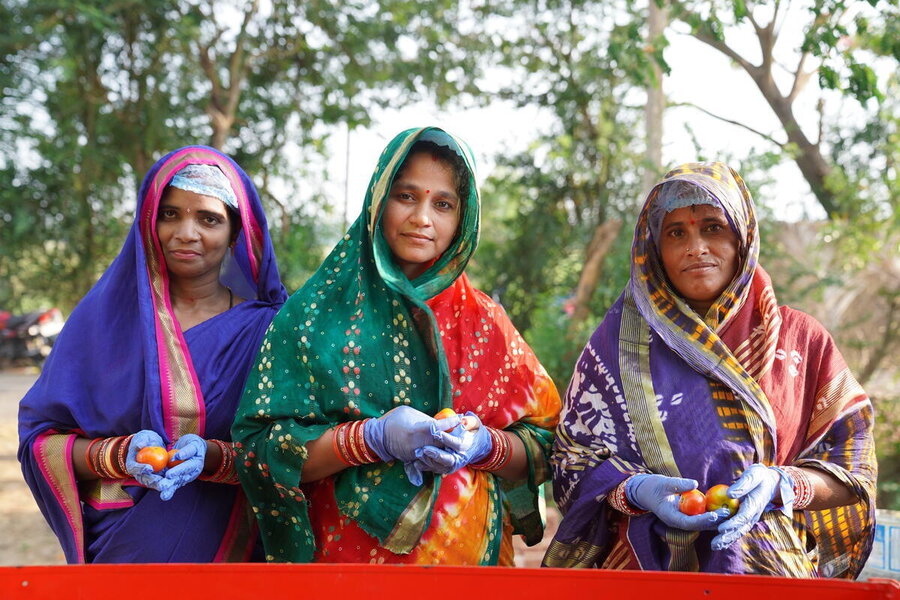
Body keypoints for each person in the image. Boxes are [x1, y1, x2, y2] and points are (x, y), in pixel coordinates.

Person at [232, 126, 561, 564]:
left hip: (470, 574)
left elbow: (546, 442)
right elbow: (258, 450)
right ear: (378, 199)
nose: (422, 218)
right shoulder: (313, 314)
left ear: (464, 218)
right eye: (406, 196)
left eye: (442, 204)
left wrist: (486, 446)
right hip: (342, 573)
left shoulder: (487, 323)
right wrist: (370, 438)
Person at [543, 162, 876, 577]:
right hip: (642, 573)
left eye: (713, 228)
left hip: (768, 571)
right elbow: (570, 461)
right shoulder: (616, 346)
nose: (695, 247)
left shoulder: (801, 341)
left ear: (742, 238)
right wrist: (636, 490)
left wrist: (784, 485)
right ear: (654, 249)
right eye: (676, 232)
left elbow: (853, 468)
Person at [18, 146, 287, 563]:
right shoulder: (102, 321)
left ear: (237, 232)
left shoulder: (269, 330)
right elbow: (42, 441)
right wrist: (116, 455)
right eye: (170, 213)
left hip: (228, 550)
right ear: (147, 220)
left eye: (209, 218)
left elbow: (288, 451)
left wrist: (213, 458)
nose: (186, 232)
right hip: (122, 549)